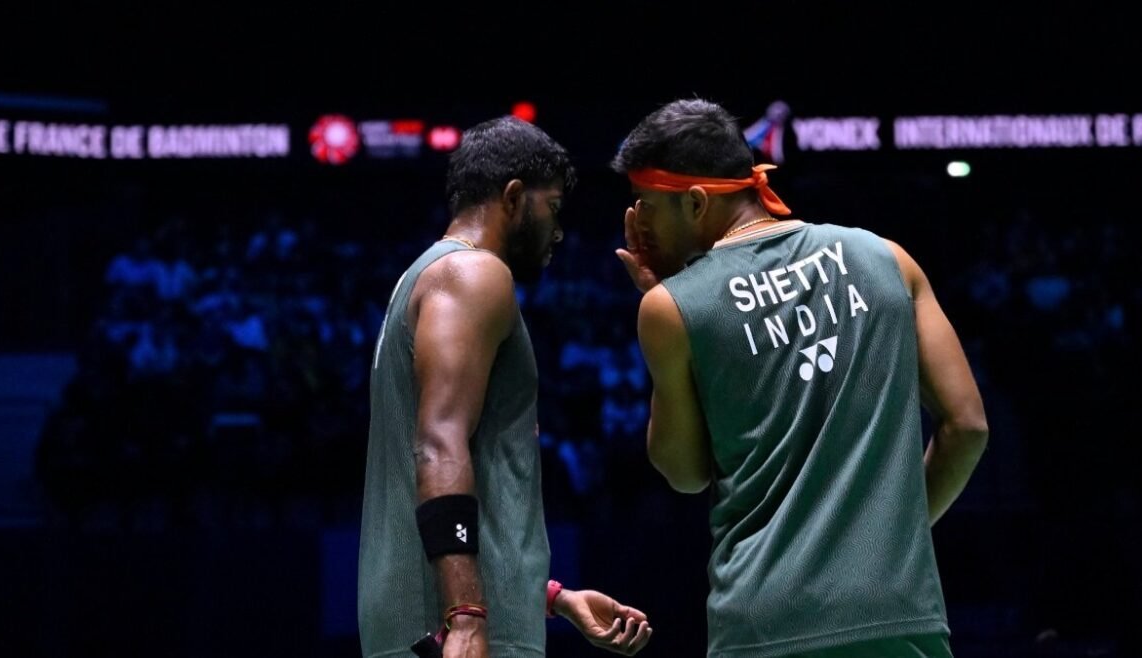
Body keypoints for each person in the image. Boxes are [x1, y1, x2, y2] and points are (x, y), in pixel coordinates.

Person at [610, 98, 989, 657]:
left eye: (646, 206)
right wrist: (892, 539)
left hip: (765, 622)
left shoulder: (669, 308)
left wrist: (670, 297)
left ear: (695, 203)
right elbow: (968, 426)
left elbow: (683, 472)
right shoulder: (888, 258)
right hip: (896, 608)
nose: (638, 224)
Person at [358, 115, 653, 658]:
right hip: (454, 632)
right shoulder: (473, 275)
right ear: (514, 198)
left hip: (428, 621)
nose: (558, 231)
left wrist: (549, 596)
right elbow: (439, 445)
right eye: (553, 208)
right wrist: (467, 617)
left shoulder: (424, 277)